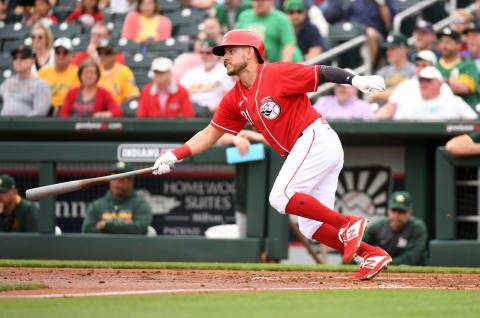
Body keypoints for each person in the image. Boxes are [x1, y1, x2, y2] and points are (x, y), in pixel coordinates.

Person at [152, 29, 392, 280]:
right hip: (310, 148)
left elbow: (321, 72)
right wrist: (174, 155)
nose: (225, 57)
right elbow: (209, 134)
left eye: (231, 50)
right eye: (224, 52)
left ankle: (346, 223)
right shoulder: (234, 98)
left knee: (280, 196)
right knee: (311, 227)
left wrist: (355, 80)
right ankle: (371, 254)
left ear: (250, 52)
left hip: (314, 138)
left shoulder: (275, 73)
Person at [377, 66, 478, 120]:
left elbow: (473, 123)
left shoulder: (454, 102)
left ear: (439, 83)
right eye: (421, 80)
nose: (424, 83)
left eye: (428, 80)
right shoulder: (409, 104)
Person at [82, 161, 153, 234]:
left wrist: (106, 225)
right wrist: (124, 226)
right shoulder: (96, 206)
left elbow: (141, 229)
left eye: (122, 178)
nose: (117, 181)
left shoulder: (141, 205)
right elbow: (87, 231)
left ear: (131, 182)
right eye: (114, 176)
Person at [362, 191, 427, 266]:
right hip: (381, 270)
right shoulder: (378, 226)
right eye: (394, 210)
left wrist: (383, 263)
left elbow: (411, 258)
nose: (397, 214)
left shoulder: (417, 227)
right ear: (388, 210)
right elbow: (358, 245)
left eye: (401, 211)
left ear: (409, 212)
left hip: (411, 273)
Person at [180, 39, 235, 117]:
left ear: (217, 55)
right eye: (201, 52)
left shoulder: (225, 72)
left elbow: (230, 96)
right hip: (191, 112)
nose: (204, 56)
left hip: (214, 113)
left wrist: (212, 109)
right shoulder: (190, 73)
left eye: (208, 53)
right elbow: (181, 94)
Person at [236, 0, 302, 63]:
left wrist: (283, 66)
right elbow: (235, 41)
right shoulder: (244, 16)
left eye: (262, 0)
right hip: (246, 65)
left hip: (271, 66)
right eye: (256, 0)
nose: (259, 3)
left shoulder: (281, 19)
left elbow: (289, 45)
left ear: (271, 1)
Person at [345, 0, 397, 72]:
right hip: (354, 32)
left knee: (371, 34)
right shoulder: (353, 3)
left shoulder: (384, 2)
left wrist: (381, 3)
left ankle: (368, 71)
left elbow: (389, 24)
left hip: (375, 33)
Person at [0, 45, 51, 117]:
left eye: (22, 57)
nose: (18, 61)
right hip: (4, 125)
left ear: (33, 61)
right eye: (15, 58)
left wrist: (21, 124)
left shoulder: (40, 84)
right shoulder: (8, 82)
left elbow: (40, 112)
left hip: (26, 126)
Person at [436, 27, 479, 108]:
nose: (443, 46)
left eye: (448, 42)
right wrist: (451, 82)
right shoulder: (435, 65)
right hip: (443, 111)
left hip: (468, 112)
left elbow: (464, 89)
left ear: (458, 45)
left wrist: (441, 83)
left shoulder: (467, 64)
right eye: (441, 42)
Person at [37, 37, 80, 116]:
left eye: (65, 52)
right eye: (57, 52)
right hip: (45, 112)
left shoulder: (78, 73)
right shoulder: (42, 72)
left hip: (69, 113)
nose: (61, 55)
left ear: (72, 55)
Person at [371, 33, 415, 105]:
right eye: (387, 49)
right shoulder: (382, 72)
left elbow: (410, 95)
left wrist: (383, 94)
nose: (388, 52)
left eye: (392, 49)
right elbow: (373, 95)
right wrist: (400, 90)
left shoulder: (414, 70)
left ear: (404, 50)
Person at [96, 39, 140, 104]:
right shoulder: (95, 70)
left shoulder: (124, 71)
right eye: (100, 52)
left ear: (114, 54)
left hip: (117, 110)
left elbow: (133, 94)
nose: (102, 56)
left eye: (106, 52)